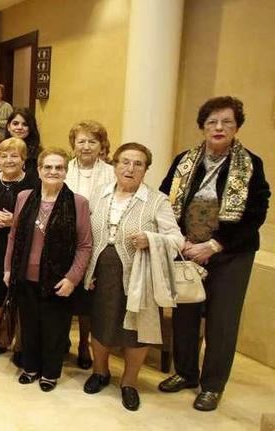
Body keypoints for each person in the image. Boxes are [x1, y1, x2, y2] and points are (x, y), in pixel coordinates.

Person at [158, 96, 270, 411]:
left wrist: (214, 244)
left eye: (227, 122)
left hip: (230, 252)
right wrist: (180, 240)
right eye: (212, 122)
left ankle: (212, 385)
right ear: (203, 126)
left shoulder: (250, 163)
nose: (219, 128)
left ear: (236, 127)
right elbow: (164, 199)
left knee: (222, 320)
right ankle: (186, 373)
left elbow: (256, 212)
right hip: (186, 248)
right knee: (185, 313)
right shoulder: (184, 159)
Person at [82, 143, 183, 411]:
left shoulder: (156, 200)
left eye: (138, 164)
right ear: (114, 165)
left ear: (146, 170)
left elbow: (177, 240)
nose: (130, 168)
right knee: (101, 323)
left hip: (139, 276)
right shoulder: (100, 195)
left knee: (135, 330)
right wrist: (88, 271)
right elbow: (88, 236)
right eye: (125, 162)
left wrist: (150, 239)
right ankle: (100, 372)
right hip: (102, 273)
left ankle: (129, 383)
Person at [4, 147, 92, 392]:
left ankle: (50, 373)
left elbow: (85, 246)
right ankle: (30, 368)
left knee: (55, 329)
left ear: (66, 171)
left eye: (59, 167)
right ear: (39, 170)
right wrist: (8, 269)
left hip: (58, 280)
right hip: (24, 276)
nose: (53, 171)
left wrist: (72, 279)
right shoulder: (24, 197)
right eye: (48, 167)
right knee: (29, 326)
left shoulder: (78, 203)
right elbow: (13, 236)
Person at [0, 137, 37, 360]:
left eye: (15, 155)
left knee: (21, 296)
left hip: (22, 246)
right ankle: (0, 340)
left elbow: (39, 215)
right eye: (4, 155)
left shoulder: (33, 183)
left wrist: (17, 220)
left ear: (23, 160)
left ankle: (20, 345)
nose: (9, 160)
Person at [65, 120, 115, 369]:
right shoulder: (64, 168)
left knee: (87, 298)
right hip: (64, 242)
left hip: (96, 241)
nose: (86, 146)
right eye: (81, 141)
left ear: (101, 145)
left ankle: (84, 344)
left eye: (92, 141)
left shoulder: (110, 172)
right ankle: (61, 340)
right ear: (73, 144)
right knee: (62, 294)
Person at [6, 108, 42, 181]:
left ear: (31, 128)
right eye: (15, 124)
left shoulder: (39, 153)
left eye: (25, 124)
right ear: (8, 127)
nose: (19, 127)